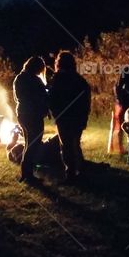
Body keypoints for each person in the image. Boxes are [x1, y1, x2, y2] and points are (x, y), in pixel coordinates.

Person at [46, 51, 91, 183]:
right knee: (75, 144)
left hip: (64, 117)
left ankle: (70, 172)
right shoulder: (79, 79)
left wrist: (54, 112)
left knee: (66, 145)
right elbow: (86, 97)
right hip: (78, 117)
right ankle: (80, 170)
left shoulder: (58, 79)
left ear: (58, 63)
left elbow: (52, 98)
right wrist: (84, 115)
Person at [13, 56, 50, 183]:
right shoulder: (33, 80)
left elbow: (19, 97)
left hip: (23, 113)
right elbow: (39, 96)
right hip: (33, 115)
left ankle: (26, 172)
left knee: (30, 143)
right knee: (33, 143)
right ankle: (27, 174)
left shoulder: (20, 78)